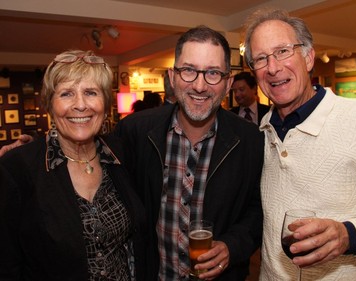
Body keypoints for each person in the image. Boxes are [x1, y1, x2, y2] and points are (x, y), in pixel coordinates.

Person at [114, 25, 264, 281]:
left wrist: (231, 246)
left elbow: (258, 211)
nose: (199, 85)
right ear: (172, 77)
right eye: (189, 70)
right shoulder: (135, 131)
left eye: (213, 73)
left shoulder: (251, 140)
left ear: (228, 83)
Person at [243, 8, 356, 280]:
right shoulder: (261, 132)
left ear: (308, 57)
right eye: (260, 59)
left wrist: (349, 235)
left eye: (283, 51)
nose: (273, 67)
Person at [0, 50, 148, 280]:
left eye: (91, 92)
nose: (80, 105)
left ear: (105, 103)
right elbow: (7, 264)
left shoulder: (121, 155)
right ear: (49, 105)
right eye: (67, 94)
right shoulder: (17, 168)